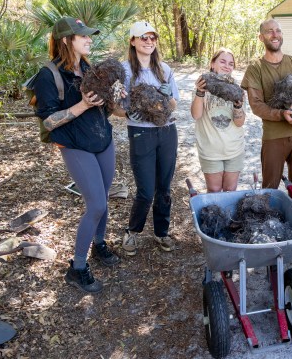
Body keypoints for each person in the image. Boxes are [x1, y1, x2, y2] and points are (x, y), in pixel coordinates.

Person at [33, 17, 120, 294]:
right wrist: (82, 105)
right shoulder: (48, 75)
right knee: (95, 205)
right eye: (83, 36)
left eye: (89, 36)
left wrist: (115, 97)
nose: (89, 40)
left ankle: (99, 244)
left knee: (104, 200)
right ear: (66, 40)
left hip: (102, 140)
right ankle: (77, 268)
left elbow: (105, 109)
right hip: (75, 146)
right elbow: (47, 122)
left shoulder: (88, 68)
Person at [119, 21, 179, 256]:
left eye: (152, 37)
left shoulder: (164, 69)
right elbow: (114, 106)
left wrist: (167, 95)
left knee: (164, 187)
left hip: (166, 131)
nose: (148, 41)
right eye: (143, 37)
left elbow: (173, 104)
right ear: (133, 41)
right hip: (141, 132)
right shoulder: (124, 71)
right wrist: (125, 112)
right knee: (145, 190)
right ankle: (132, 232)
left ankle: (161, 232)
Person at [240, 19, 292, 190]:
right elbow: (256, 105)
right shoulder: (255, 68)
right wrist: (281, 114)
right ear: (261, 37)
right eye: (269, 31)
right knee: (270, 186)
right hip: (273, 136)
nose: (275, 35)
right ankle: (271, 217)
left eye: (278, 30)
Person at [191, 48, 245, 192]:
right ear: (213, 63)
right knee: (214, 191)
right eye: (222, 61)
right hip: (210, 150)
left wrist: (238, 106)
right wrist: (200, 92)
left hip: (234, 149)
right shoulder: (203, 85)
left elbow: (239, 123)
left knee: (230, 191)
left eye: (231, 63)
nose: (227, 66)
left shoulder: (236, 89)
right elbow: (196, 115)